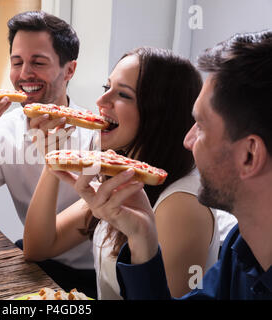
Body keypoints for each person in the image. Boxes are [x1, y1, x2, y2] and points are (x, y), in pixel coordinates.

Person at [60, 30, 272, 299]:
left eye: (202, 126)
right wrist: (143, 239)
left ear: (250, 156)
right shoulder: (241, 247)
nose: (188, 140)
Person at [24, 46, 233, 299]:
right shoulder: (121, 174)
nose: (101, 101)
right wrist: (54, 160)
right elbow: (38, 247)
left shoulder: (180, 204)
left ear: (159, 113)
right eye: (106, 88)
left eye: (122, 94)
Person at [0, 11, 97, 297]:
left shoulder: (97, 136)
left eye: (38, 62)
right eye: (17, 62)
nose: (24, 75)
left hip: (92, 274)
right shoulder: (1, 130)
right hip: (32, 263)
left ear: (69, 70)